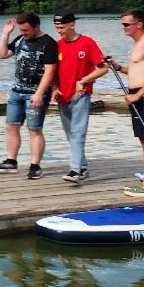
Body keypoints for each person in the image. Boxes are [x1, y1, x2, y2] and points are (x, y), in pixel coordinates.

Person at [105, 9, 144, 199]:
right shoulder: (137, 45)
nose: (123, 28)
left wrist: (138, 95)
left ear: (138, 24)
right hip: (138, 95)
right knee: (143, 138)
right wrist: (118, 67)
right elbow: (136, 72)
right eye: (122, 24)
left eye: (126, 24)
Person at [0, 11, 58, 179]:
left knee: (34, 129)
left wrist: (39, 93)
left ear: (36, 26)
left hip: (35, 94)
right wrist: (5, 34)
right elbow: (2, 54)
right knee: (11, 126)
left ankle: (35, 165)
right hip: (16, 92)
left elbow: (50, 71)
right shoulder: (21, 39)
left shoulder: (48, 43)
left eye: (26, 30)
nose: (23, 33)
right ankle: (11, 161)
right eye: (21, 30)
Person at [51, 11, 107, 185]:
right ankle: (82, 168)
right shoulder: (58, 45)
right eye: (57, 28)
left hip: (81, 95)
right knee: (71, 135)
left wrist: (83, 80)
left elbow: (103, 67)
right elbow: (54, 71)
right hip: (63, 96)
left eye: (61, 28)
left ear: (72, 25)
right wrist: (54, 88)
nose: (59, 31)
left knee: (77, 133)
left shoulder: (87, 43)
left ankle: (74, 170)